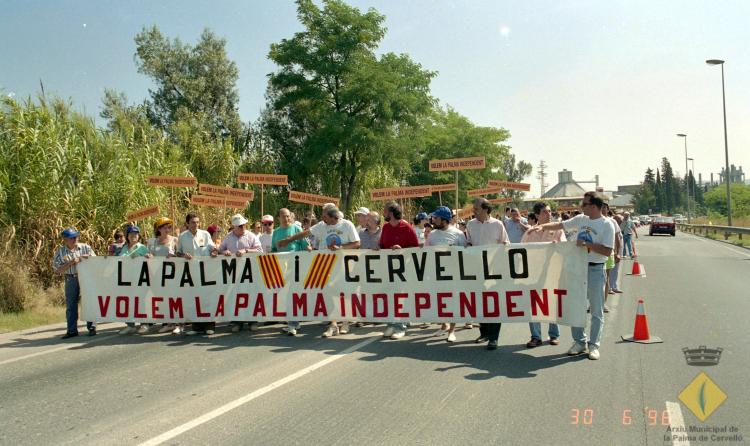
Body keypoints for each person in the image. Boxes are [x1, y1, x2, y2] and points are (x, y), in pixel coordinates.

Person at [530, 191, 614, 360]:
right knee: (576, 306)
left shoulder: (607, 224)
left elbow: (607, 250)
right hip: (578, 268)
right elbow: (561, 225)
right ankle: (579, 341)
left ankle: (594, 345)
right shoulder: (581, 219)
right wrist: (542, 227)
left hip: (596, 269)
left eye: (585, 204)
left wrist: (587, 244)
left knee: (596, 309)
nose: (581, 207)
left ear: (594, 206)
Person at [277, 205, 360, 337]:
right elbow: (305, 233)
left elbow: (357, 243)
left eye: (325, 216)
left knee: (343, 293)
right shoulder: (322, 225)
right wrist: (288, 240)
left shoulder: (347, 225)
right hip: (325, 265)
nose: (322, 218)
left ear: (335, 218)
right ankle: (333, 325)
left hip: (343, 265)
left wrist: (340, 247)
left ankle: (345, 322)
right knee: (328, 293)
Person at [465, 198, 509, 350]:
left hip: (494, 270)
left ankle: (493, 338)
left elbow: (505, 244)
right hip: (476, 270)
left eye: (476, 208)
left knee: (494, 303)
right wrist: (469, 246)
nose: (473, 211)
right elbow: (468, 242)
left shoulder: (498, 224)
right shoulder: (470, 224)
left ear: (485, 209)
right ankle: (483, 332)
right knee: (480, 302)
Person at [521, 202, 566, 348]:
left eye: (550, 211)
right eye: (545, 212)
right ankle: (536, 336)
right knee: (533, 305)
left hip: (552, 273)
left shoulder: (558, 231)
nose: (549, 214)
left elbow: (566, 249)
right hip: (533, 274)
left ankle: (554, 335)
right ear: (537, 215)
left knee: (552, 303)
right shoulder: (529, 233)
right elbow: (520, 252)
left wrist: (557, 246)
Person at [379, 201, 419, 340]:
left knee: (399, 297)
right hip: (388, 269)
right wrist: (378, 247)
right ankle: (391, 323)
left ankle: (400, 327)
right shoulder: (385, 228)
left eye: (384, 210)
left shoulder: (406, 227)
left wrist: (402, 250)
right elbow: (382, 245)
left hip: (404, 270)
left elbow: (416, 248)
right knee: (389, 296)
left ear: (390, 212)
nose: (383, 212)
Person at [426, 206, 467, 342]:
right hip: (437, 274)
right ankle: (444, 324)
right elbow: (425, 252)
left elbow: (465, 253)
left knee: (453, 301)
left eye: (436, 218)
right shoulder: (432, 235)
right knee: (439, 301)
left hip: (453, 274)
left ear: (444, 220)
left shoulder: (458, 234)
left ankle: (452, 330)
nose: (433, 220)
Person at [220, 213, 264, 333]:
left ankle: (252, 321)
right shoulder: (228, 237)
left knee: (251, 295)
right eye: (239, 226)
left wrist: (246, 250)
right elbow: (221, 249)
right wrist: (225, 252)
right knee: (236, 296)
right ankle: (237, 322)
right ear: (234, 227)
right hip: (234, 273)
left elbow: (260, 250)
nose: (242, 227)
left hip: (250, 271)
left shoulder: (251, 236)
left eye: (244, 225)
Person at [177, 212, 218, 335]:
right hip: (190, 272)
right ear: (187, 223)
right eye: (193, 222)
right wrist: (184, 255)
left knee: (207, 298)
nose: (196, 224)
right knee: (194, 298)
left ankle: (209, 325)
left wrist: (214, 252)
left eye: (197, 222)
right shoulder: (182, 237)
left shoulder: (205, 234)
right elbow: (177, 252)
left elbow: (213, 248)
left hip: (205, 271)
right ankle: (197, 327)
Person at [53, 227, 97, 339]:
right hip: (71, 278)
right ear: (65, 239)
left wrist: (89, 258)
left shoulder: (85, 247)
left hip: (86, 278)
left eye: (76, 237)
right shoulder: (61, 252)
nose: (75, 239)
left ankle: (92, 327)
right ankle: (72, 330)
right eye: (72, 238)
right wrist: (72, 262)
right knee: (71, 304)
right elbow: (57, 270)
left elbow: (96, 261)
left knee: (88, 301)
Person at [271, 208, 309, 336]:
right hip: (282, 268)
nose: (286, 219)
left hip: (296, 267)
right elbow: (273, 250)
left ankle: (292, 324)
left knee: (292, 294)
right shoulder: (275, 233)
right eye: (283, 216)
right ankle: (294, 321)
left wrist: (309, 248)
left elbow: (305, 246)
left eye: (288, 216)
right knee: (285, 295)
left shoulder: (296, 229)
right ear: (278, 218)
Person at [148, 217, 180, 333]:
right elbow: (150, 254)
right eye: (165, 227)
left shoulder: (175, 240)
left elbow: (180, 255)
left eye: (169, 227)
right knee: (163, 299)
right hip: (158, 275)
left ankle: (178, 323)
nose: (168, 229)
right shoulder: (152, 242)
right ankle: (168, 322)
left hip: (172, 274)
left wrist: (175, 256)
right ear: (159, 229)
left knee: (174, 298)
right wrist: (149, 256)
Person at [118, 225, 151, 335]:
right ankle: (130, 325)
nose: (133, 236)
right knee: (128, 302)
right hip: (128, 279)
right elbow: (119, 260)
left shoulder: (142, 248)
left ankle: (144, 324)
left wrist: (147, 257)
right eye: (131, 234)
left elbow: (151, 259)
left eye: (136, 234)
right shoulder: (124, 248)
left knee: (141, 301)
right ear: (127, 236)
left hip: (141, 279)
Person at [609, 214, 625, 294]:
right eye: (619, 220)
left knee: (616, 270)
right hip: (614, 252)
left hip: (618, 252)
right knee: (610, 270)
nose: (620, 222)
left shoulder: (617, 227)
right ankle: (609, 288)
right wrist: (616, 252)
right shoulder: (611, 225)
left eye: (621, 221)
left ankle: (614, 286)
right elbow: (615, 240)